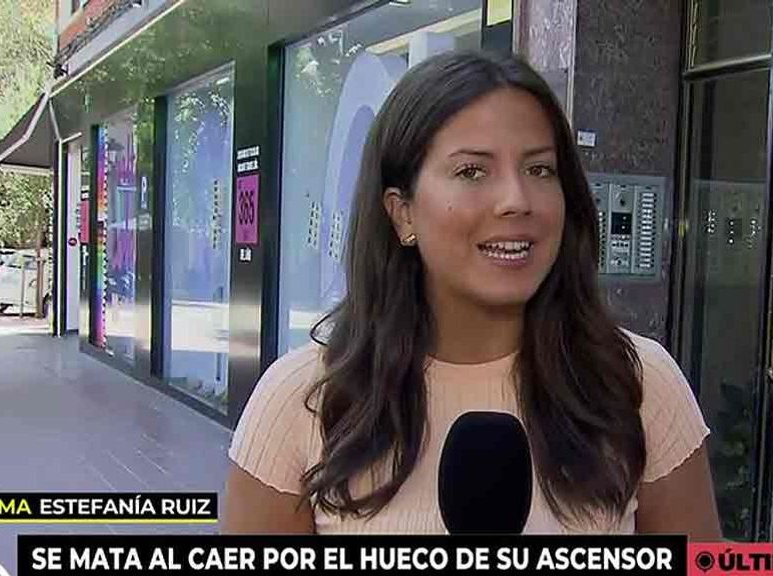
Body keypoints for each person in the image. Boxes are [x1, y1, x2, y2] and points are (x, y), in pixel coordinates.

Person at [223, 50, 721, 537]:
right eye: (472, 171)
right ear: (403, 213)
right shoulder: (300, 401)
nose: (516, 200)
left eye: (540, 169)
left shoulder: (639, 384)